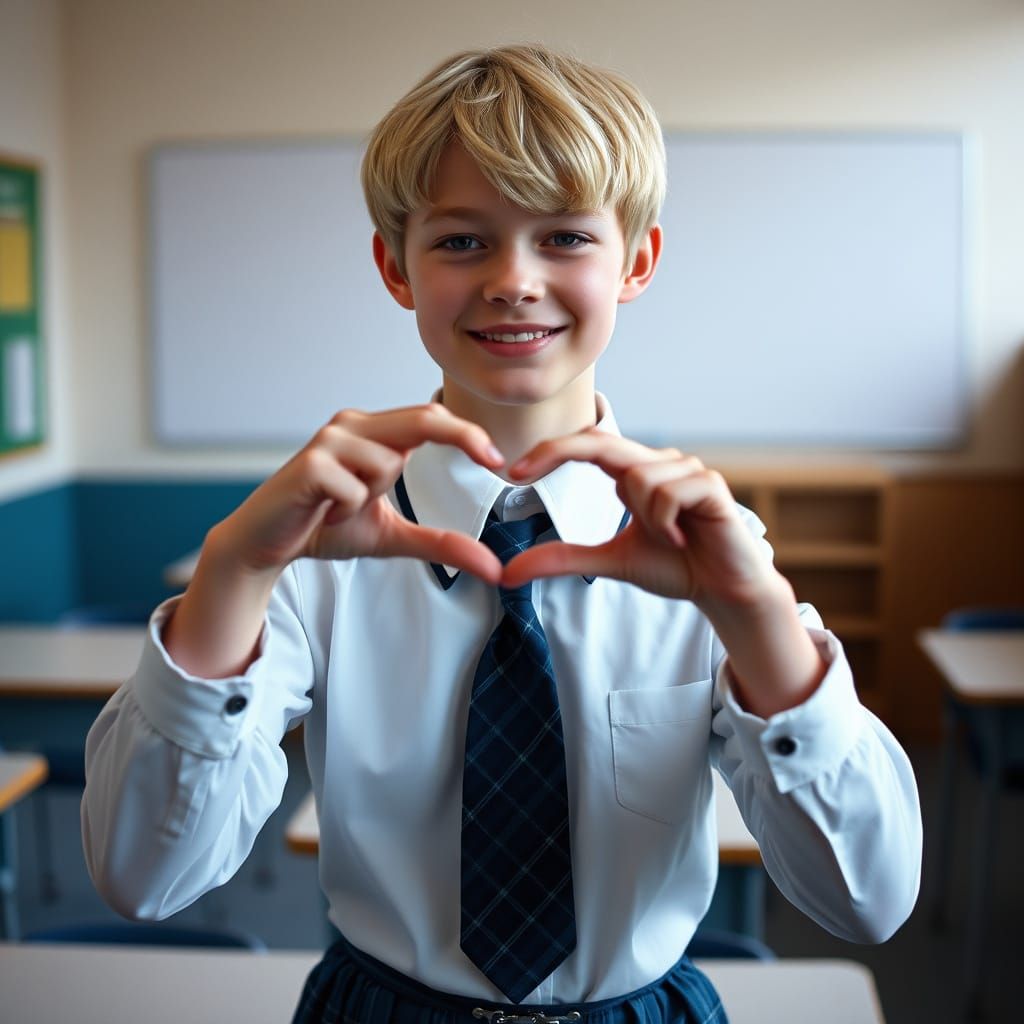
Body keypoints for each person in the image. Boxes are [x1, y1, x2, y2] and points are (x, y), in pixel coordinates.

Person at [82, 44, 922, 1023]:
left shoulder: (706, 554)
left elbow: (868, 900)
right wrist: (231, 572)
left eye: (565, 236)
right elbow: (143, 879)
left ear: (636, 261)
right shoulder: (318, 554)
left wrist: (758, 621)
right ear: (395, 266)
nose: (514, 280)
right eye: (461, 241)